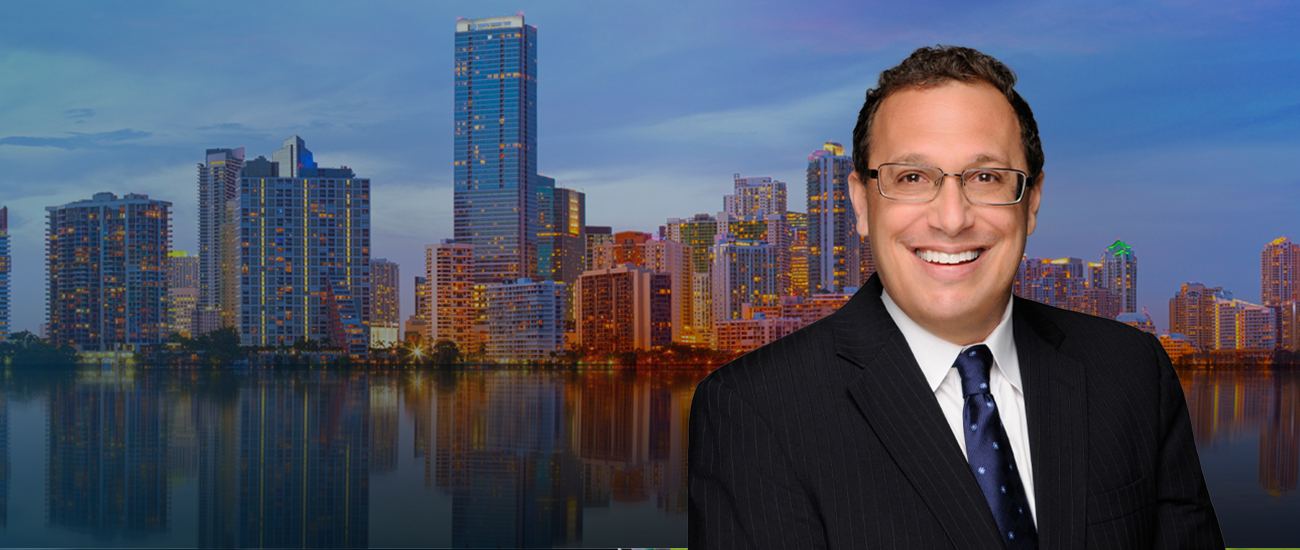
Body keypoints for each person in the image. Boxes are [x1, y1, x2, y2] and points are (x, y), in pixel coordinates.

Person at [688, 45, 1222, 549]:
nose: (951, 218)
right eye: (913, 176)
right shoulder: (754, 411)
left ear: (1031, 201)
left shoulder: (1131, 371)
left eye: (986, 177)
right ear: (859, 203)